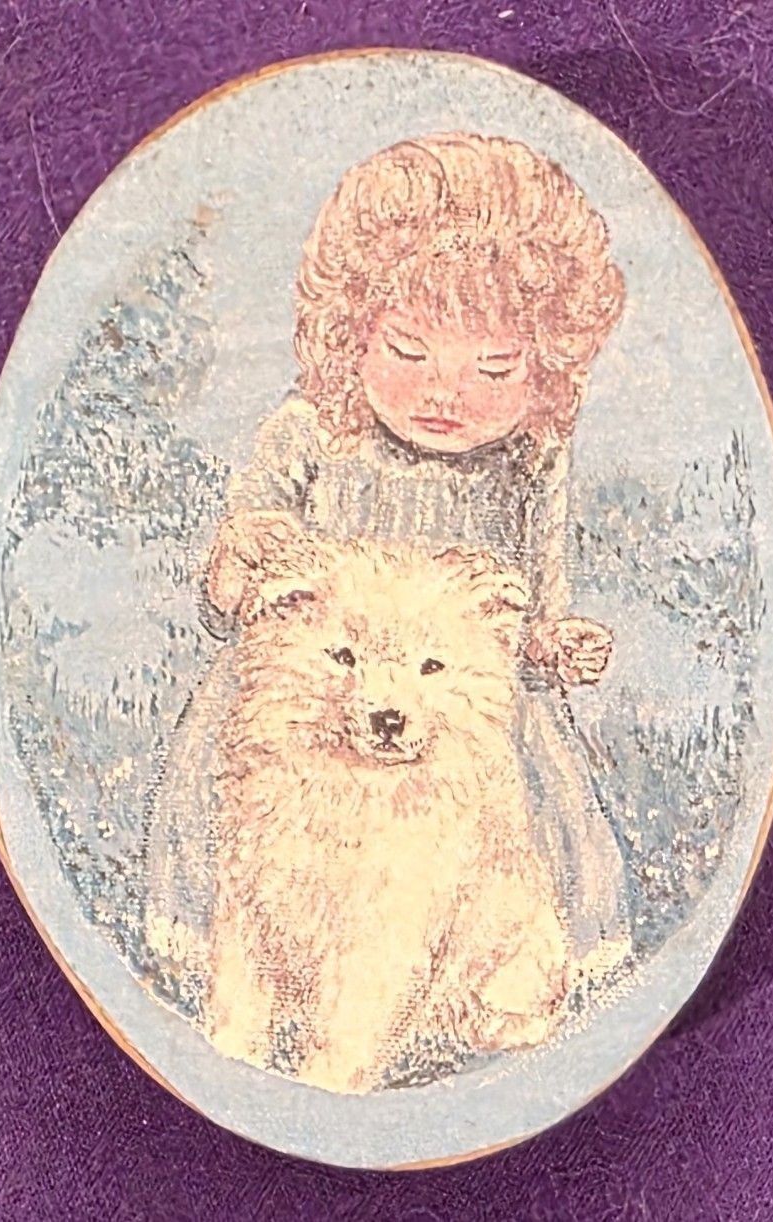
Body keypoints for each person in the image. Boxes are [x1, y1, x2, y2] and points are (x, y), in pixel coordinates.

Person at [147, 132, 632, 1030]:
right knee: (268, 877)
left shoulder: (527, 465)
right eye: (409, 350)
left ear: (548, 365)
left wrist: (553, 646)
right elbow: (236, 576)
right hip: (310, 722)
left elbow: (532, 613)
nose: (446, 392)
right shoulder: (311, 432)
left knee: (488, 873)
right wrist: (237, 563)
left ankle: (464, 998)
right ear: (349, 336)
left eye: (494, 368)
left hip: (455, 738)